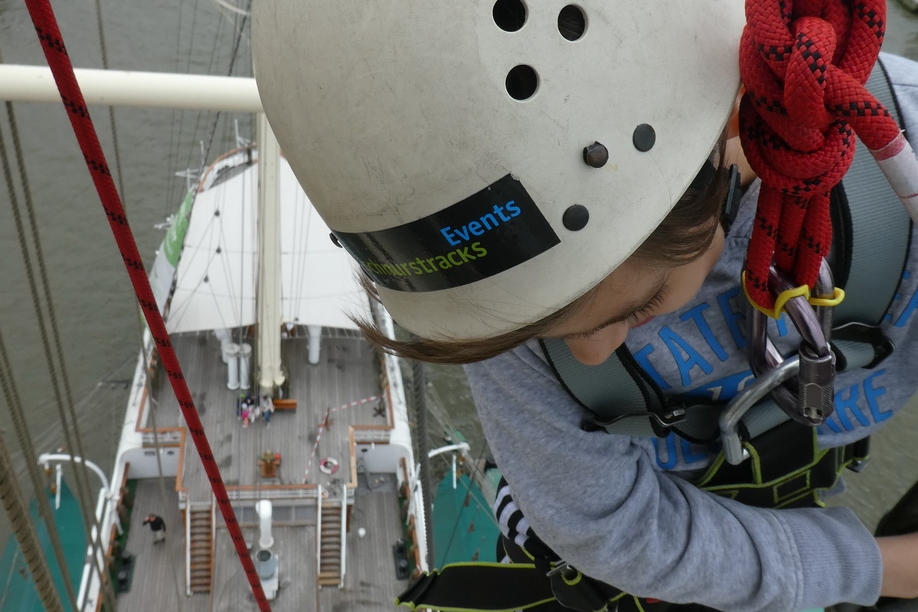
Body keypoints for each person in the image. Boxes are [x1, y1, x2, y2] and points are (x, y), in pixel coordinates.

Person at [251, 1, 918, 610]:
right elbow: (607, 531)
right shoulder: (506, 291)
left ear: (733, 117)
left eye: (636, 308)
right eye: (536, 332)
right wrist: (875, 569)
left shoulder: (901, 182)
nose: (590, 356)